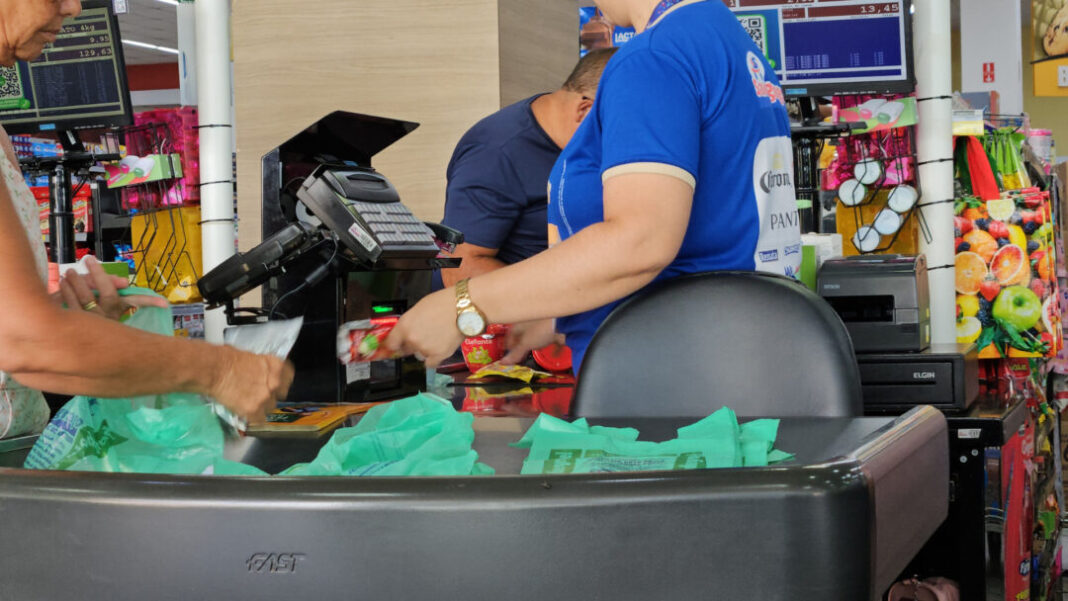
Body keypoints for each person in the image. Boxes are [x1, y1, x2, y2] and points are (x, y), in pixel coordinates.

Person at [386, 0, 801, 373]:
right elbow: (716, 222)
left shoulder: (654, 57)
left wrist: (463, 304)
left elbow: (640, 241)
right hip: (729, 352)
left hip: (670, 370)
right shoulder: (727, 40)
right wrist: (558, 313)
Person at [0, 0, 292, 439]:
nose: (74, 7)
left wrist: (71, 324)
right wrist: (218, 369)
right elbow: (23, 341)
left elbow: (18, 342)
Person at [436, 48, 616, 289]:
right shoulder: (496, 152)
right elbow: (459, 267)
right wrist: (564, 296)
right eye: (624, 127)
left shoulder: (577, 142)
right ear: (584, 111)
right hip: (528, 306)